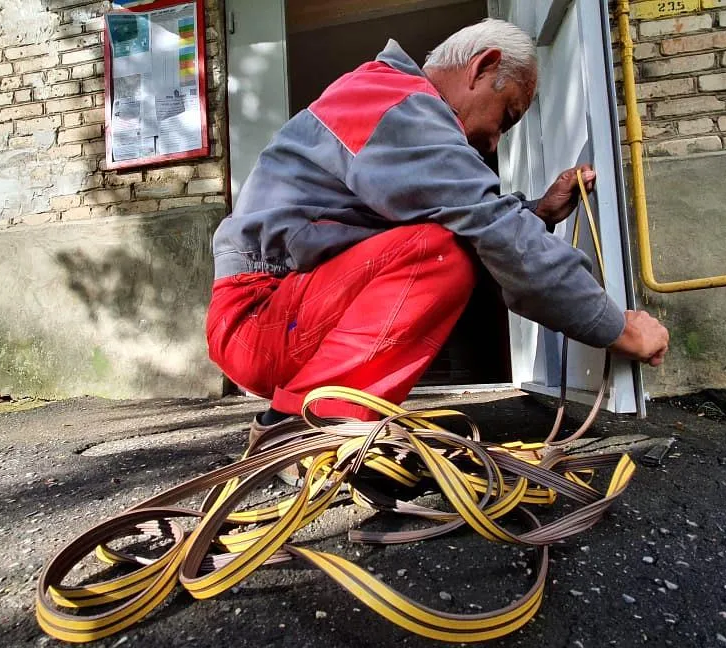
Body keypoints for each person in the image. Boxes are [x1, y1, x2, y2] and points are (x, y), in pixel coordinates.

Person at [206, 19, 669, 441]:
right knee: (447, 247)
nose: (494, 142)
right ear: (483, 67)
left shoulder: (388, 101)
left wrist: (539, 212)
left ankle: (315, 416)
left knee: (458, 238)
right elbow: (497, 234)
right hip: (258, 320)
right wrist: (618, 328)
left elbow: (490, 226)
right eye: (506, 116)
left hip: (275, 316)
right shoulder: (401, 107)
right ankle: (304, 427)